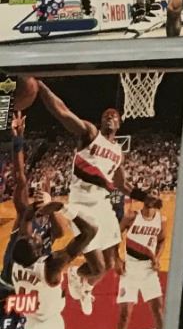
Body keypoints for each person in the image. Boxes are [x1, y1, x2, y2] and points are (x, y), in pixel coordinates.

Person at [2, 109, 96, 329]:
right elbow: (21, 178)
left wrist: (50, 204)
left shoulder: (33, 232)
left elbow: (61, 233)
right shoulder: (25, 223)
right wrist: (18, 141)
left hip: (24, 285)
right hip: (13, 283)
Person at [33, 80, 128, 312]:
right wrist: (41, 86)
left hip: (102, 205)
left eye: (114, 115)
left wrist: (141, 196)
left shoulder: (118, 153)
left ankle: (83, 282)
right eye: (106, 115)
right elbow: (62, 111)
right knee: (98, 267)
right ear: (101, 121)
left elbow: (122, 184)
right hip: (82, 205)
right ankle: (76, 274)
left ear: (119, 123)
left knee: (109, 264)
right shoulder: (90, 133)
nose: (109, 117)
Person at [114, 191, 166, 329]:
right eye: (149, 194)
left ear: (158, 198)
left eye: (155, 194)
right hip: (130, 269)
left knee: (158, 311)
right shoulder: (131, 216)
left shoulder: (161, 219)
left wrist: (157, 258)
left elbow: (162, 240)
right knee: (124, 314)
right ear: (144, 198)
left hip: (148, 270)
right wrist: (117, 258)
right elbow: (115, 236)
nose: (152, 197)